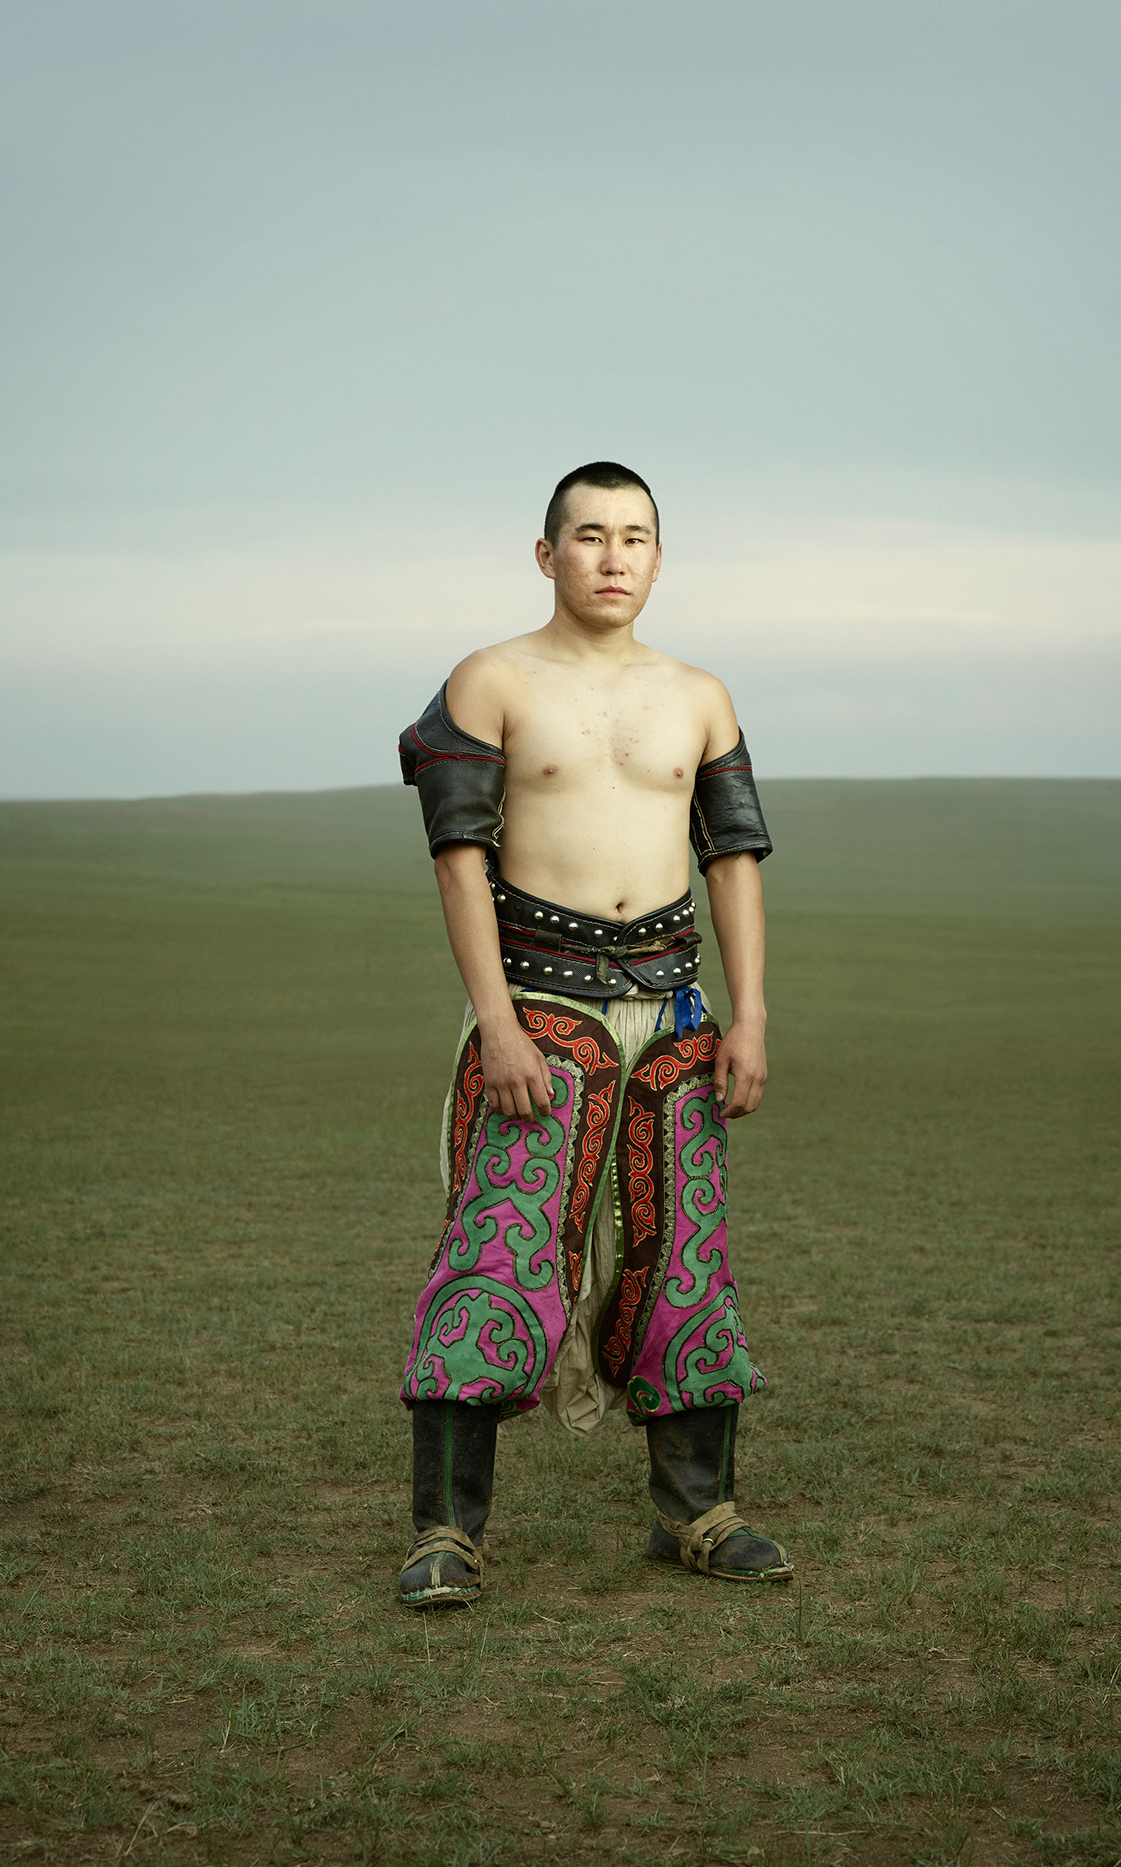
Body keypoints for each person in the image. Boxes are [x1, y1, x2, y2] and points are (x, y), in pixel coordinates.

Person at [395, 461, 792, 1608]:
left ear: (658, 559)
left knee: (683, 1262)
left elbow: (733, 860)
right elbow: (458, 860)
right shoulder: (489, 679)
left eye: (633, 537)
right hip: (538, 1009)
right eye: (588, 536)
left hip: (674, 1016)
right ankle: (446, 1533)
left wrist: (750, 1016)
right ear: (545, 554)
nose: (612, 557)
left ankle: (696, 1513)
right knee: (497, 1254)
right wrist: (496, 1023)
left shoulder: (699, 695)